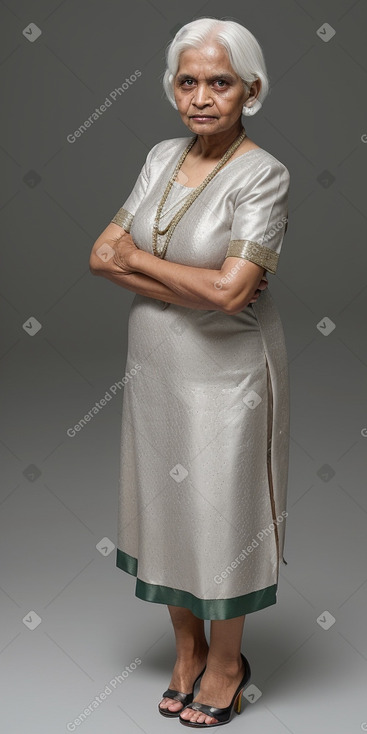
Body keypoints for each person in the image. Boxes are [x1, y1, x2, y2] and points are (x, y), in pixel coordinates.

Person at [89, 16, 290, 728]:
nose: (201, 96)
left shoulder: (263, 174)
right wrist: (195, 280)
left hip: (227, 369)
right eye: (188, 80)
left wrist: (136, 262)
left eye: (220, 82)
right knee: (163, 503)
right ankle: (186, 651)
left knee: (220, 510)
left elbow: (231, 294)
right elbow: (95, 254)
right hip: (154, 362)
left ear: (250, 89)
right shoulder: (158, 157)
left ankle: (228, 663)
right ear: (172, 86)